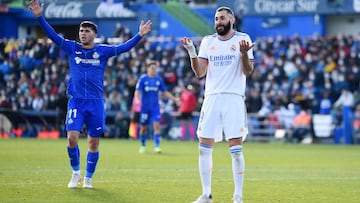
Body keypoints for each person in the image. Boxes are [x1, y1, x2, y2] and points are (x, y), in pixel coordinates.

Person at [29, 0, 152, 188]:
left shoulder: (102, 51)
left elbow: (123, 48)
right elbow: (52, 35)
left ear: (94, 35)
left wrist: (139, 35)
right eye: (81, 31)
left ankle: (88, 178)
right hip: (76, 102)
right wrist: (40, 17)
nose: (82, 34)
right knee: (72, 138)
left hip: (95, 103)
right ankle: (76, 172)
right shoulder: (72, 48)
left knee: (93, 143)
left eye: (86, 31)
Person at [181, 6, 255, 203]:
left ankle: (238, 196)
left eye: (222, 18)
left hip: (233, 97)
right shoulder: (208, 41)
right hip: (212, 98)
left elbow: (248, 71)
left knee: (236, 148)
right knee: (204, 148)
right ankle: (206, 195)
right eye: (216, 19)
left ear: (232, 20)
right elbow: (200, 72)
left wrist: (244, 54)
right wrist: (191, 52)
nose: (218, 22)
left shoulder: (243, 38)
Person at [135, 60, 179, 154]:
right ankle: (142, 145)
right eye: (152, 68)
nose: (154, 70)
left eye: (155, 68)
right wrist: (138, 100)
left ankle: (157, 146)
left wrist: (174, 99)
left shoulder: (158, 79)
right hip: (145, 107)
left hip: (155, 107)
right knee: (143, 128)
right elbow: (137, 92)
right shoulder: (143, 79)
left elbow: (165, 92)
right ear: (148, 69)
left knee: (157, 126)